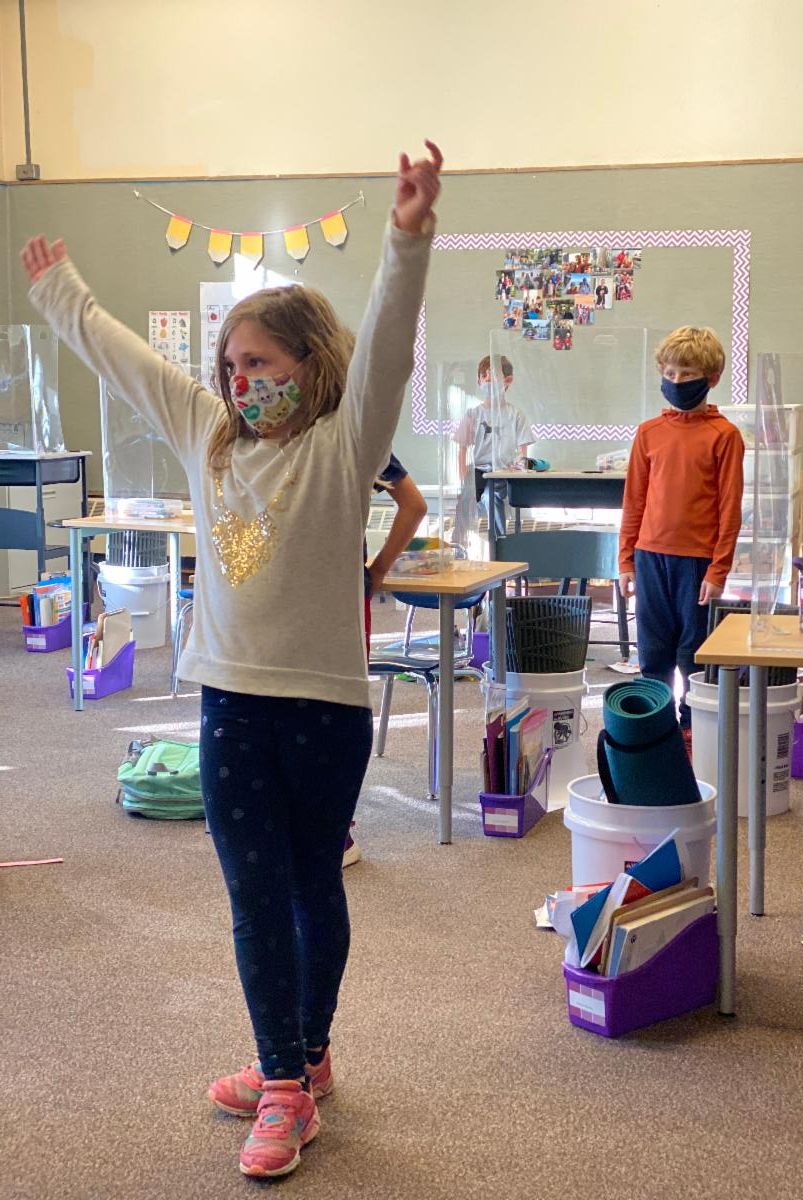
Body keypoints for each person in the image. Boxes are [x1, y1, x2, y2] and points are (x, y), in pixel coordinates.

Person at [21, 140, 442, 1180]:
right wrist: (61, 292)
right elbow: (126, 360)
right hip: (232, 707)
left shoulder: (342, 446)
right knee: (255, 895)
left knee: (313, 885)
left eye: (259, 363)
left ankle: (305, 1057)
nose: (240, 380)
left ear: (309, 363)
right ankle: (285, 1077)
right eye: (230, 366)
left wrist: (407, 237)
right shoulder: (209, 436)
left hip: (325, 709)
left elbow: (390, 349)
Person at [617, 326, 744, 751]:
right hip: (650, 557)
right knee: (653, 652)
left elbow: (729, 508)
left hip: (697, 562)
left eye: (686, 373)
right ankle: (656, 731)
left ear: (711, 378)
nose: (675, 381)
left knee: (693, 653)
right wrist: (626, 561)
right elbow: (634, 501)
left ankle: (692, 730)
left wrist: (718, 569)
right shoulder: (648, 432)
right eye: (669, 372)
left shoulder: (724, 435)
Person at [339, 453, 427, 869]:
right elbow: (414, 505)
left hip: (335, 593)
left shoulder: (358, 437)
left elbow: (414, 505)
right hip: (342, 590)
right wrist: (376, 570)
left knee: (333, 706)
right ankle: (333, 830)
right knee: (338, 705)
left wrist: (377, 570)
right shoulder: (357, 435)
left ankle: (332, 831)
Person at [453, 354, 533, 541]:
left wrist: (519, 468)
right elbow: (462, 449)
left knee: (493, 498)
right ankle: (458, 540)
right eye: (484, 376)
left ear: (507, 380)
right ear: (479, 381)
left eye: (494, 376)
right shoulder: (473, 414)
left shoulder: (515, 415)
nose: (488, 380)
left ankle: (499, 541)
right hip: (478, 471)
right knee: (464, 501)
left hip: (503, 472)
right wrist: (464, 479)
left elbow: (523, 451)